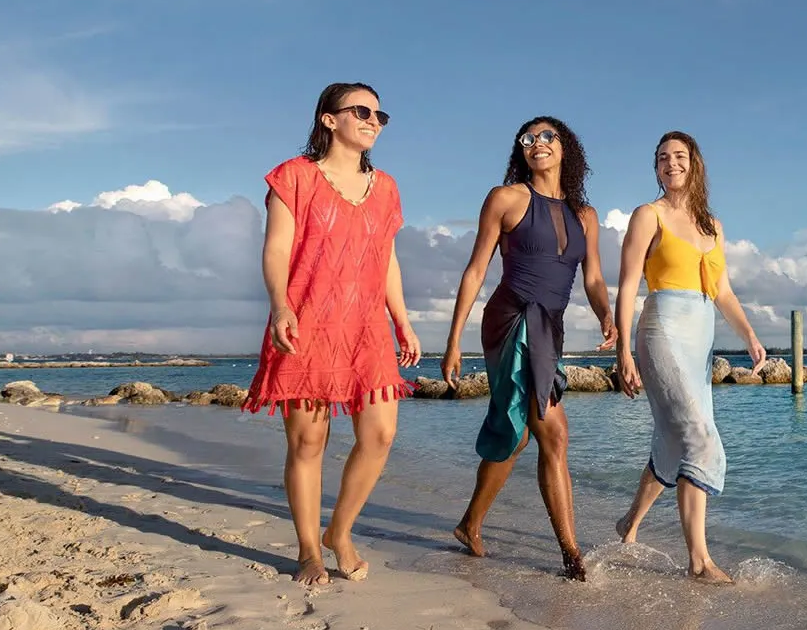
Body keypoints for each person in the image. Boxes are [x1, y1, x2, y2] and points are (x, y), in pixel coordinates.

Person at [243, 82, 422, 587]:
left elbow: (386, 258)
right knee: (308, 442)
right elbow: (277, 249)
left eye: (380, 115)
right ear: (328, 119)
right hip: (305, 322)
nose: (373, 121)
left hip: (366, 328)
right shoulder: (294, 177)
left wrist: (402, 319)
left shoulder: (385, 187)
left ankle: (338, 531)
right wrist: (279, 304)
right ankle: (308, 551)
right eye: (361, 111)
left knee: (381, 434)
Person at [442, 116, 615, 581]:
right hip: (512, 319)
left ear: (566, 148)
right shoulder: (506, 199)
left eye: (547, 137)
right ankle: (572, 554)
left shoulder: (586, 216)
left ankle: (469, 524)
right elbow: (476, 270)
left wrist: (606, 313)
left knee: (519, 432)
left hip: (550, 327)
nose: (536, 144)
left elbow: (593, 277)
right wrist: (454, 340)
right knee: (553, 433)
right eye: (528, 139)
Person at [612, 130, 765, 585]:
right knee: (699, 435)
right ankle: (699, 561)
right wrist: (624, 348)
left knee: (675, 441)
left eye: (679, 156)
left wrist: (751, 336)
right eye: (662, 157)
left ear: (694, 164)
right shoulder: (648, 215)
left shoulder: (712, 226)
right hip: (661, 329)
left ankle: (629, 523)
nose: (671, 163)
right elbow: (627, 286)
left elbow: (722, 291)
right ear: (656, 168)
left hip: (701, 337)